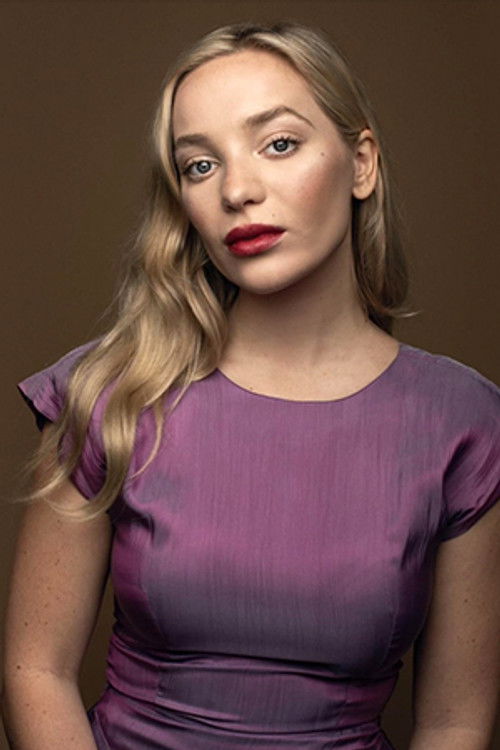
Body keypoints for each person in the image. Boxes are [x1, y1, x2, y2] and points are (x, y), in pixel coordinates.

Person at [3, 19, 499, 750]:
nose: (237, 190)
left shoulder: (461, 422)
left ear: (361, 164)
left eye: (279, 144)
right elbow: (34, 671)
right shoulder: (108, 392)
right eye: (200, 165)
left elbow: (455, 723)